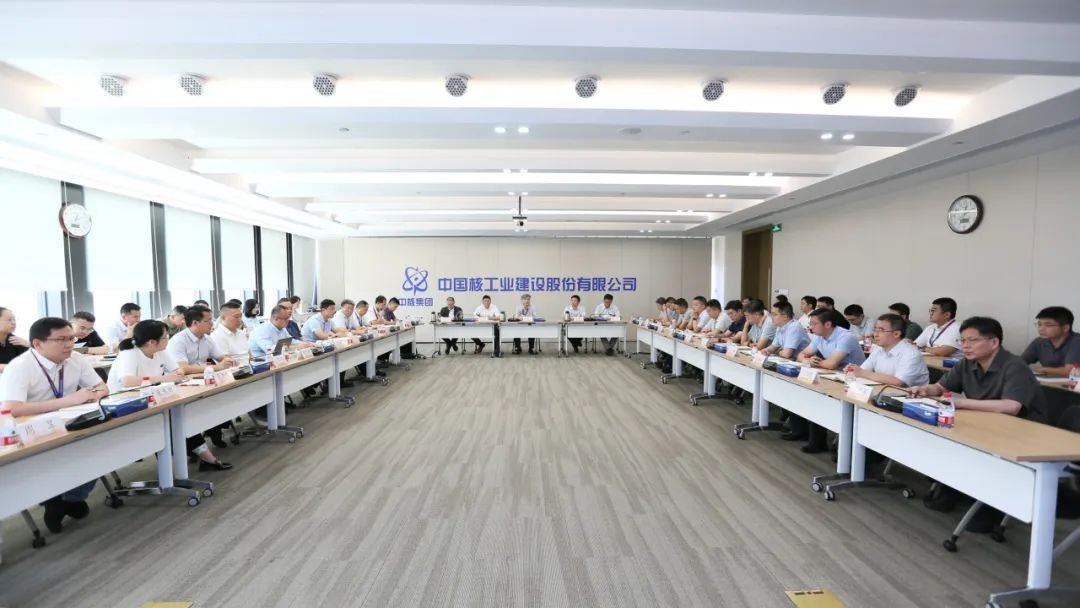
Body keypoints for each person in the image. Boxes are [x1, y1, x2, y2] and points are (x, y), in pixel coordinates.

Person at [909, 317, 1047, 529]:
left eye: (972, 340)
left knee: (983, 453)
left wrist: (961, 403)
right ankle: (956, 489)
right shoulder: (966, 363)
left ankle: (993, 507)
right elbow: (941, 387)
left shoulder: (1014, 366)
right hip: (984, 424)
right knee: (951, 441)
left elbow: (1012, 406)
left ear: (994, 342)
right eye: (962, 340)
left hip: (1020, 432)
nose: (965, 346)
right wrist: (926, 389)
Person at [0, 317, 109, 532]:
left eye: (71, 338)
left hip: (70, 422)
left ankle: (68, 499)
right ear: (38, 344)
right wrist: (68, 401)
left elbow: (102, 387)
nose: (69, 344)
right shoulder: (20, 367)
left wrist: (90, 395)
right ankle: (54, 499)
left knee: (100, 448)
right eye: (61, 340)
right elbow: (12, 408)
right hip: (31, 431)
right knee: (58, 461)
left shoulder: (76, 359)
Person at [108, 320, 231, 472]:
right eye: (165, 337)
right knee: (167, 423)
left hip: (152, 399)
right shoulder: (130, 353)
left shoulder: (160, 351)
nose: (168, 339)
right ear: (151, 342)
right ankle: (179, 467)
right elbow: (127, 381)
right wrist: (163, 378)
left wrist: (176, 374)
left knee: (179, 417)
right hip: (125, 405)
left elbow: (177, 371)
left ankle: (203, 458)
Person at [791, 309, 866, 452]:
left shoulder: (845, 337)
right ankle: (813, 439)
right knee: (809, 394)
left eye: (814, 324)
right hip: (834, 377)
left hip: (855, 382)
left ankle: (840, 447)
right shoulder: (819, 336)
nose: (810, 327)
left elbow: (832, 364)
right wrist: (807, 360)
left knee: (819, 400)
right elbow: (801, 355)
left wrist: (812, 362)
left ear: (828, 324)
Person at [845, 313, 929, 387]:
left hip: (909, 396)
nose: (875, 334)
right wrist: (853, 370)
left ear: (896, 334)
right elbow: (863, 370)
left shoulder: (911, 354)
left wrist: (862, 373)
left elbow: (898, 382)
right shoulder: (878, 348)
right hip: (883, 391)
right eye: (875, 330)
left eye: (881, 331)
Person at [166, 306, 236, 375]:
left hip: (202, 377)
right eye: (208, 320)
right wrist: (216, 367)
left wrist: (228, 361)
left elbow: (222, 357)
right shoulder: (178, 341)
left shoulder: (207, 339)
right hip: (181, 380)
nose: (212, 323)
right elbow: (182, 368)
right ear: (195, 323)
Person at [1022, 306, 1080, 377]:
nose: (1041, 329)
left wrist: (1043, 370)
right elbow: (1018, 363)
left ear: (1065, 328)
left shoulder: (1077, 341)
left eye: (1048, 325)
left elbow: (1070, 371)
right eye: (1039, 324)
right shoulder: (1039, 342)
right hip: (1049, 382)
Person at [0, 307, 30, 372]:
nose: (14, 322)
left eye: (14, 319)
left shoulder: (13, 339)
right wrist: (12, 367)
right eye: (9, 320)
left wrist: (29, 345)